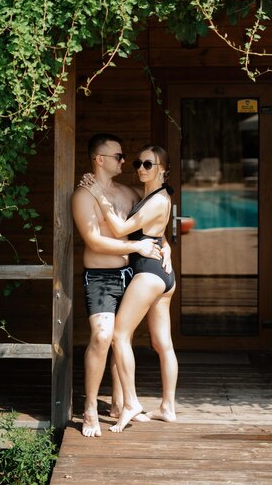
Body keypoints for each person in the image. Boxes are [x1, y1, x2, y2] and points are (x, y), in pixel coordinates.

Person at [72, 134, 172, 437]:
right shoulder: (83, 195)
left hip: (130, 274)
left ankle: (120, 404)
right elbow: (94, 241)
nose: (124, 161)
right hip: (101, 278)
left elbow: (151, 229)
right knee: (103, 336)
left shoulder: (129, 193)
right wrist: (136, 248)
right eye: (118, 156)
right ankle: (90, 407)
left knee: (121, 338)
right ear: (99, 159)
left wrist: (164, 246)